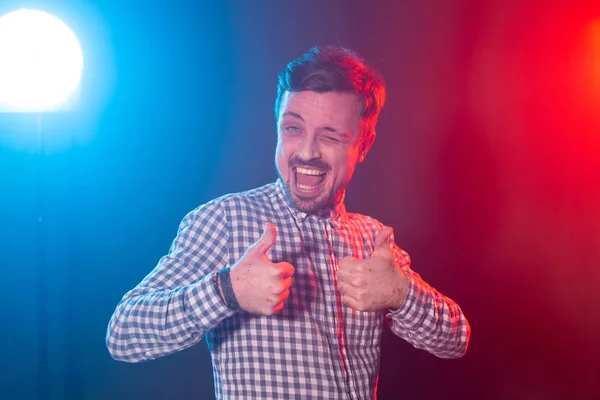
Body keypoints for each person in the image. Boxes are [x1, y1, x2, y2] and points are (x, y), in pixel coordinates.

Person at [106, 45, 471, 399]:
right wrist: (226, 291)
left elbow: (455, 340)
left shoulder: (373, 240)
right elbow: (123, 334)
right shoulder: (226, 220)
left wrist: (401, 294)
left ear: (363, 145)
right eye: (293, 129)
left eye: (330, 136)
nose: (307, 152)